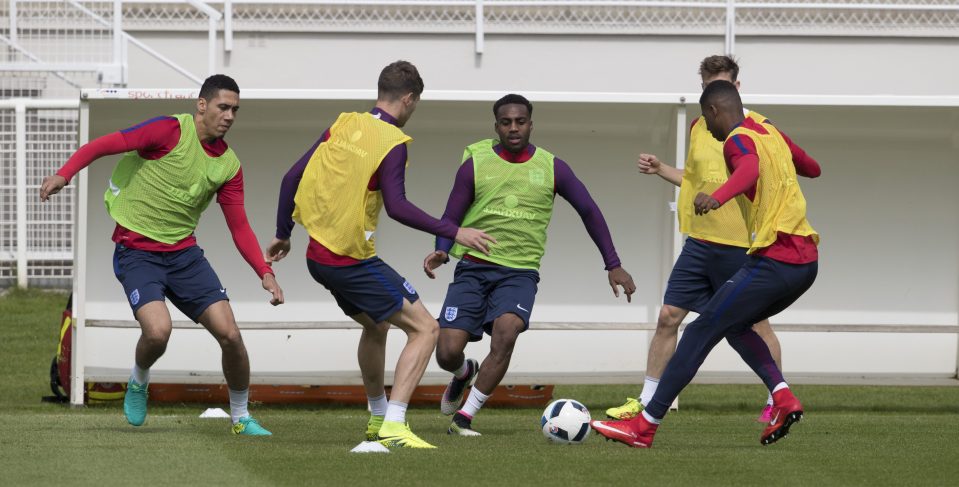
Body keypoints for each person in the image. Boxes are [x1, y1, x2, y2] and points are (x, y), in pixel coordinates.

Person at [265, 60, 495, 450]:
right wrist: (456, 232)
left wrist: (283, 234)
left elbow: (291, 177)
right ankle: (395, 423)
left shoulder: (344, 123)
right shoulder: (391, 142)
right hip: (350, 261)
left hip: (317, 257)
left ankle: (376, 416)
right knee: (426, 329)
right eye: (415, 104)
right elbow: (398, 207)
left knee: (376, 327)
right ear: (407, 99)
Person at [39, 74, 283, 436]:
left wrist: (264, 271)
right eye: (223, 107)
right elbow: (105, 144)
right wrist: (65, 174)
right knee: (158, 332)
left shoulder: (228, 165)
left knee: (231, 335)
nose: (230, 115)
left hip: (185, 257)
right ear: (202, 105)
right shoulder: (169, 131)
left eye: (235, 109)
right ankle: (139, 381)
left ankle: (241, 416)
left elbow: (239, 225)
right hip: (136, 252)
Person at [592, 79, 821, 448]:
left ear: (714, 111)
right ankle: (782, 397)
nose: (709, 128)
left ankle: (645, 427)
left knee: (700, 331)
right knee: (735, 324)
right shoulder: (770, 131)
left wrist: (717, 196)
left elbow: (747, 169)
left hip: (775, 257)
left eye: (706, 118)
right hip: (805, 261)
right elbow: (812, 167)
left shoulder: (736, 139)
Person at [424, 94, 637, 436]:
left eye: (520, 121)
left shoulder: (552, 167)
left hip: (519, 273)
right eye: (506, 122)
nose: (513, 128)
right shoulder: (475, 164)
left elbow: (589, 211)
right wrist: (442, 249)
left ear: (530, 124)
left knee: (506, 335)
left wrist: (613, 264)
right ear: (496, 126)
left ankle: (464, 417)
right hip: (474, 268)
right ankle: (463, 372)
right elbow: (452, 215)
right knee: (447, 351)